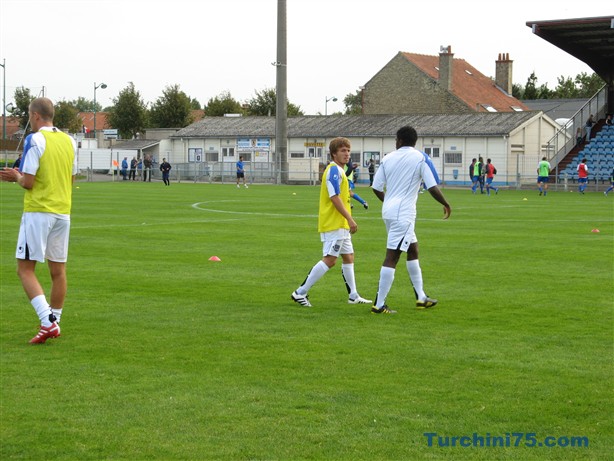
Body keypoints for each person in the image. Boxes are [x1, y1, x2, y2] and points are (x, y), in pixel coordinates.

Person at [0, 97, 78, 344]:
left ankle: (47, 321)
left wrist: (16, 177)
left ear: (35, 116)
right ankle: (54, 321)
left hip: (38, 212)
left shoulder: (35, 139)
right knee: (58, 270)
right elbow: (72, 179)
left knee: (24, 269)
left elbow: (29, 181)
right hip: (62, 213)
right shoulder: (69, 140)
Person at [370, 126, 451, 314]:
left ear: (398, 140)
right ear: (415, 141)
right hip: (403, 214)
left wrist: (388, 201)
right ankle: (379, 304)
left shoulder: (387, 158)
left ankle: (421, 297)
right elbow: (432, 186)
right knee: (393, 255)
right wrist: (446, 203)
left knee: (413, 249)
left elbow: (375, 186)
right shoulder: (420, 158)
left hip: (389, 211)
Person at [291, 137, 372, 308]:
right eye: (343, 150)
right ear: (334, 153)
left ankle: (353, 295)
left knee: (349, 257)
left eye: (348, 150)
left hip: (340, 224)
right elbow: (334, 197)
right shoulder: (334, 171)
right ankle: (300, 292)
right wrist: (350, 218)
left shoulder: (340, 171)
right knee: (330, 259)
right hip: (334, 223)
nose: (347, 154)